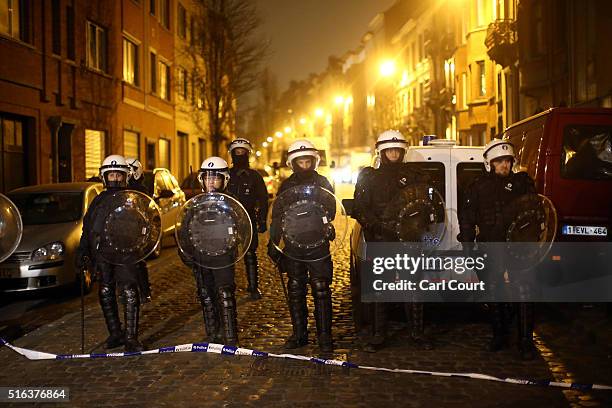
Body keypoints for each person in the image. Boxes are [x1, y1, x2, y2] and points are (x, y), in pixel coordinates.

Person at [353, 130, 433, 351]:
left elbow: (424, 203)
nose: (393, 154)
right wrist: (377, 226)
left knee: (414, 286)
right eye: (389, 150)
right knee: (381, 288)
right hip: (381, 239)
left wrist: (418, 226)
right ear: (381, 151)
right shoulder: (369, 176)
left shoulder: (415, 174)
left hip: (409, 240)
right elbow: (360, 208)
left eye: (397, 150)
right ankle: (379, 334)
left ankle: (417, 333)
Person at [458, 139, 538, 360]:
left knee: (523, 292)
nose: (504, 165)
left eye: (507, 161)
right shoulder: (478, 186)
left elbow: (534, 213)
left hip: (518, 248)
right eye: (499, 161)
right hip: (490, 246)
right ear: (490, 163)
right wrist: (467, 245)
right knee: (494, 291)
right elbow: (467, 218)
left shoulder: (522, 184)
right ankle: (499, 336)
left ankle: (525, 341)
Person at [268, 139, 336, 353]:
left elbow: (331, 209)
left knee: (321, 289)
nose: (305, 165)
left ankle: (325, 335)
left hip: (317, 243)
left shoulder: (323, 182)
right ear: (293, 163)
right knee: (296, 289)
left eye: (308, 161)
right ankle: (299, 334)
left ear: (314, 161)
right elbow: (278, 215)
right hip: (294, 244)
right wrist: (274, 242)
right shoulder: (287, 185)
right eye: (301, 161)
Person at [75, 155, 145, 352]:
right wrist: (83, 250)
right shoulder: (98, 201)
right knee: (106, 291)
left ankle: (131, 338)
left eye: (118, 174)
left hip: (126, 253)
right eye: (111, 174)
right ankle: (115, 333)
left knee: (129, 291)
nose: (114, 178)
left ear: (125, 176)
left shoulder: (132, 198)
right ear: (104, 176)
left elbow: (144, 224)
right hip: (103, 252)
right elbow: (88, 227)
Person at [178, 157, 240, 346]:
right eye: (207, 178)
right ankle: (213, 333)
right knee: (206, 294)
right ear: (202, 180)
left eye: (216, 178)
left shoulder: (231, 202)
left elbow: (242, 226)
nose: (211, 182)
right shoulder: (196, 203)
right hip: (201, 255)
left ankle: (230, 336)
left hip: (223, 255)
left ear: (225, 180)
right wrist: (186, 252)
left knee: (225, 293)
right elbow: (185, 229)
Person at [226, 138, 269, 300]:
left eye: (242, 153)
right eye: (236, 153)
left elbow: (263, 199)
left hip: (248, 218)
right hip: (228, 220)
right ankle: (227, 286)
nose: (239, 156)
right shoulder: (226, 175)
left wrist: (262, 220)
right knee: (227, 254)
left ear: (247, 154)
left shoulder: (255, 177)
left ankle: (253, 286)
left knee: (250, 253)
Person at [125, 157, 152, 303]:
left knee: (139, 261)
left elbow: (146, 207)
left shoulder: (141, 190)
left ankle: (144, 290)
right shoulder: (121, 189)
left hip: (136, 230)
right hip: (122, 230)